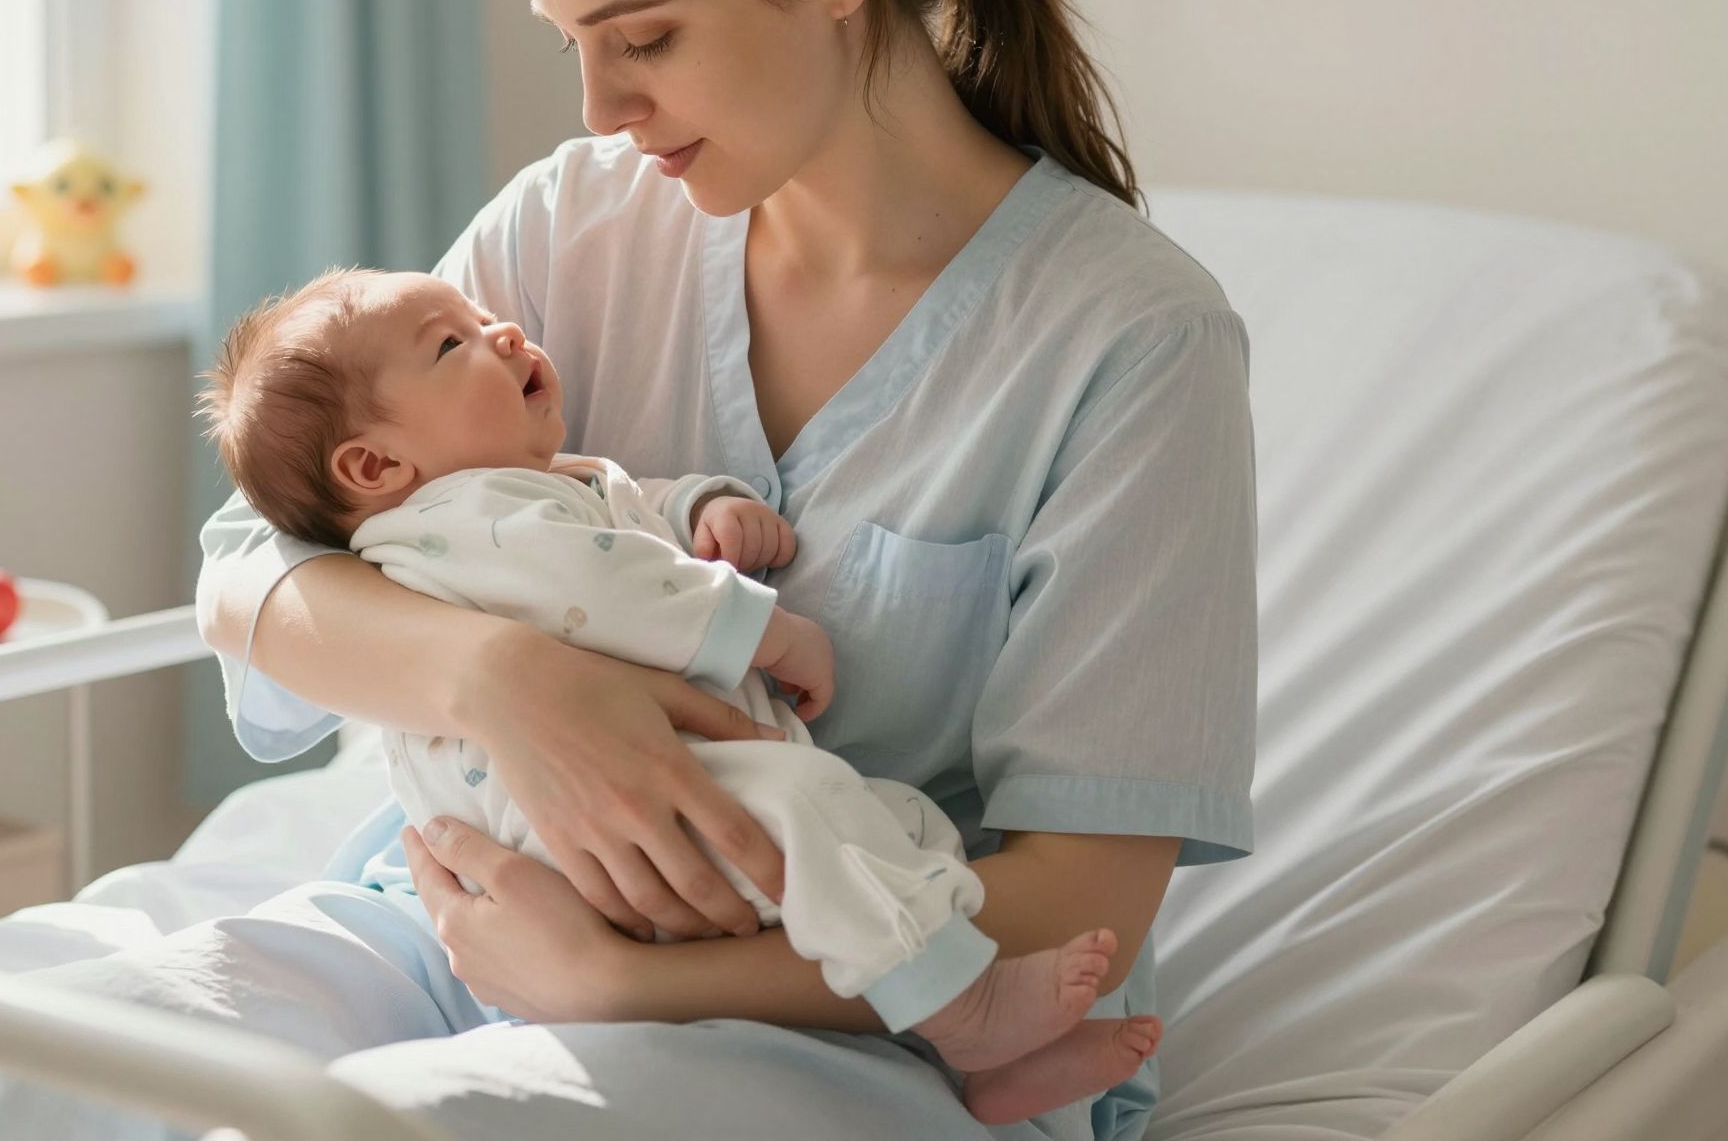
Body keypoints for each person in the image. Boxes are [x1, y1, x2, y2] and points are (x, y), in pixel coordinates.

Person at [0, 0, 1255, 1141]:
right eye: (571, 42)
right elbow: (251, 572)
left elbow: (1076, 910)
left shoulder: (1129, 343)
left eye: (643, 38)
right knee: (26, 1072)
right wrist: (503, 687)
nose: (601, 109)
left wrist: (613, 984)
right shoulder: (576, 225)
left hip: (879, 1027)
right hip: (458, 918)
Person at [200, 264, 1164, 1125]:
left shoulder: (521, 491)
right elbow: (607, 583)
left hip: (622, 843)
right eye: (453, 343)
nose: (500, 331)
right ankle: (967, 1011)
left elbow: (624, 509)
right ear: (375, 467)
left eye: (482, 313)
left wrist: (704, 509)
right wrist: (766, 627)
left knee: (897, 832)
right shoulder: (460, 521)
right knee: (821, 813)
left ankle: (972, 1059)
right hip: (576, 843)